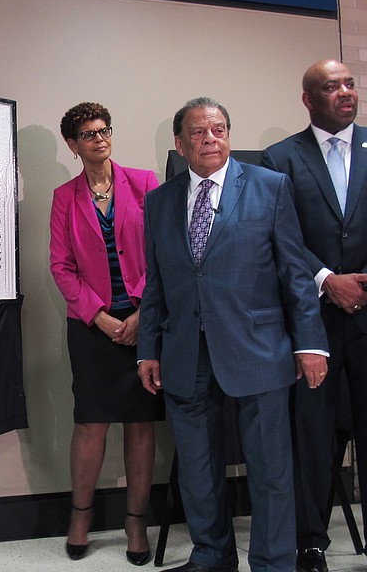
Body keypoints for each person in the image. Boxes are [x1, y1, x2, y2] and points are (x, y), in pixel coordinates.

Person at [137, 97, 328, 572]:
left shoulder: (270, 187)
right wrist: (148, 351)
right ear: (180, 144)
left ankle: (272, 563)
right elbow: (156, 283)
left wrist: (309, 343)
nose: (211, 139)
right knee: (199, 474)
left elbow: (295, 274)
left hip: (259, 351)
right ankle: (212, 558)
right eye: (199, 132)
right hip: (184, 353)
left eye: (219, 129)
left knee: (270, 472)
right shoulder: (160, 201)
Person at [261, 59, 367, 572]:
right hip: (312, 323)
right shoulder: (281, 159)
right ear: (308, 99)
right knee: (314, 434)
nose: (345, 93)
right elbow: (279, 238)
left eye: (349, 84)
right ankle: (310, 543)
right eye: (332, 87)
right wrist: (327, 279)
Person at [50, 102, 163, 564]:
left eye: (104, 130)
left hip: (143, 321)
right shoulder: (65, 197)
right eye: (89, 134)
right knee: (90, 423)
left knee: (140, 425)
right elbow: (61, 267)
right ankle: (80, 516)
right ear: (74, 145)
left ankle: (136, 524)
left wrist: (140, 312)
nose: (100, 138)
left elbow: (162, 254)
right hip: (91, 328)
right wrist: (99, 316)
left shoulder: (145, 184)